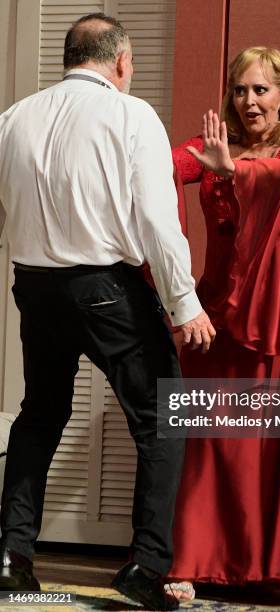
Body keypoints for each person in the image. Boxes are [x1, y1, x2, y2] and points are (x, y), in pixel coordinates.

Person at [0, 13, 215, 611]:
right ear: (121, 62)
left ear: (69, 56)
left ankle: (13, 556)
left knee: (40, 414)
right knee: (163, 417)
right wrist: (184, 304)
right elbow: (156, 219)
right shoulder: (130, 113)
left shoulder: (12, 119)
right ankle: (145, 566)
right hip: (105, 288)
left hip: (35, 286)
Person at [168, 47, 280, 605]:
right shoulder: (218, 146)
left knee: (269, 439)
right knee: (212, 439)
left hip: (279, 311)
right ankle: (195, 559)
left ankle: (271, 565)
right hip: (218, 311)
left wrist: (229, 169)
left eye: (260, 90)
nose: (248, 102)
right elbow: (167, 166)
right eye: (240, 90)